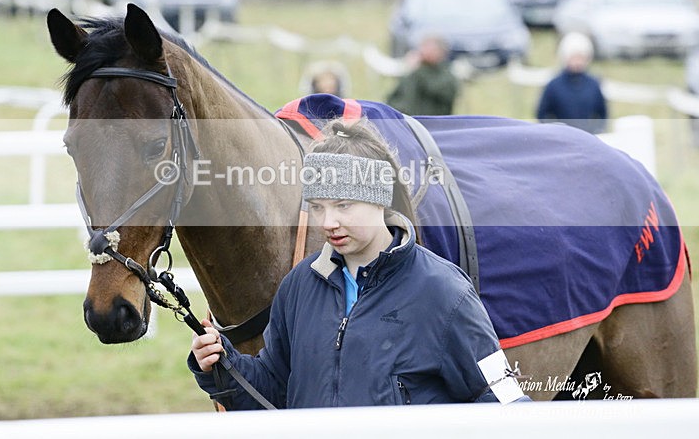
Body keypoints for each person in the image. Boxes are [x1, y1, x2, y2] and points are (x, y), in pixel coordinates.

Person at [188, 118, 527, 408]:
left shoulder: (444, 292)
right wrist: (222, 364)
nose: (328, 222)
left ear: (380, 200)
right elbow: (274, 393)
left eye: (343, 205)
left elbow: (502, 401)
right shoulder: (298, 287)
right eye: (318, 207)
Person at [536, 32, 608, 134]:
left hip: (586, 136)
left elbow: (602, 113)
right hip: (561, 137)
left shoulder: (593, 84)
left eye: (581, 57)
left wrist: (596, 131)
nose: (577, 62)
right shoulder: (554, 85)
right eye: (574, 57)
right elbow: (542, 114)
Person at [386, 34, 460, 116]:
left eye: (429, 47)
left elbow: (436, 89)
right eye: (423, 46)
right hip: (407, 123)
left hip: (433, 124)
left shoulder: (447, 74)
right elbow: (397, 97)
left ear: (441, 52)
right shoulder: (414, 72)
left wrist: (417, 70)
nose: (423, 50)